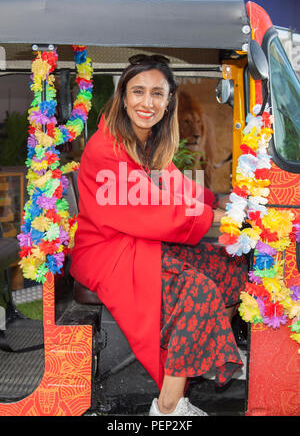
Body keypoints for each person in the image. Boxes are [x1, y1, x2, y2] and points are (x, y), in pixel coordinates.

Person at [70, 54, 248, 416]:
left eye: (157, 93)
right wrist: (214, 217)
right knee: (197, 289)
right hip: (110, 250)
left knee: (231, 266)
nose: (147, 102)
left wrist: (221, 200)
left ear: (169, 101)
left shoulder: (145, 141)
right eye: (138, 91)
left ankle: (198, 350)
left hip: (139, 239)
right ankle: (168, 407)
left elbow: (175, 185)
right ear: (122, 96)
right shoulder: (107, 147)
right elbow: (151, 211)